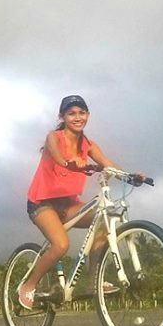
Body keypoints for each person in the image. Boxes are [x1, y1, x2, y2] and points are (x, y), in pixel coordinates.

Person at [18, 94, 137, 309]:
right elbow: (55, 154)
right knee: (61, 245)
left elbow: (107, 164)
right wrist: (67, 162)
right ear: (62, 116)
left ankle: (93, 283)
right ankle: (29, 285)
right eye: (71, 113)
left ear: (88, 115)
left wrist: (130, 175)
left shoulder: (89, 145)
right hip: (42, 204)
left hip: (69, 205)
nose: (77, 117)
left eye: (81, 113)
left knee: (104, 220)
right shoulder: (54, 137)